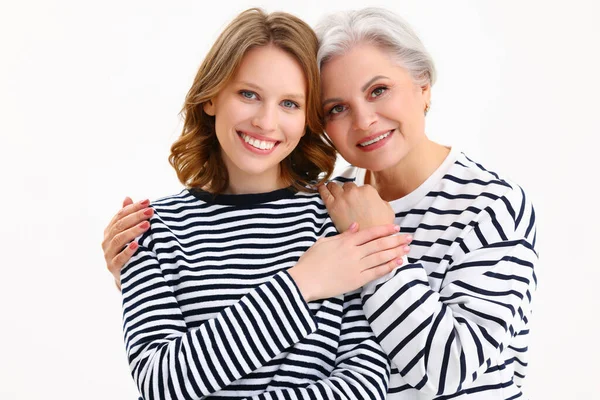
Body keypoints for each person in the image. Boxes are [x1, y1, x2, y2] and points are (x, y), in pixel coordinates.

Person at [104, 7, 538, 400]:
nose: (364, 120)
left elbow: (406, 375)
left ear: (424, 87)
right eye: (337, 107)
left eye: (379, 90)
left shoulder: (486, 205)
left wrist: (371, 242)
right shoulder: (335, 200)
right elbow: (160, 379)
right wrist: (138, 272)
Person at [113, 8, 414, 400]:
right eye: (248, 94)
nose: (266, 122)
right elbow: (160, 382)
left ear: (308, 117)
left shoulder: (336, 217)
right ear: (211, 97)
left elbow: (363, 382)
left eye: (289, 103)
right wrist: (300, 284)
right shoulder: (151, 228)